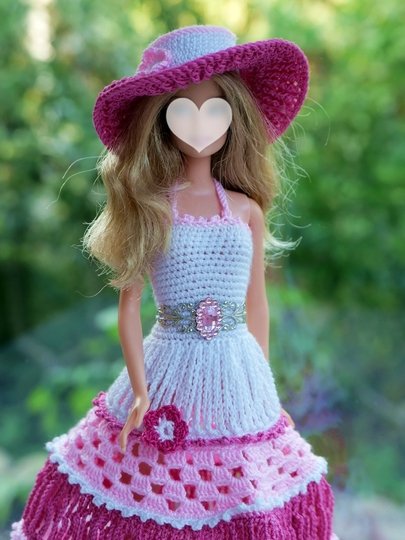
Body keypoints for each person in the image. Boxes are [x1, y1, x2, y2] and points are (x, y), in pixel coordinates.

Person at [11, 24, 340, 539]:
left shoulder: (246, 211)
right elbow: (130, 307)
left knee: (242, 487)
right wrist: (140, 393)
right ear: (161, 121)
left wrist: (265, 391)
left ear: (235, 117)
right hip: (171, 364)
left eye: (216, 111)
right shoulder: (154, 209)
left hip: (237, 369)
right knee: (160, 487)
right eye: (182, 112)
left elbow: (256, 304)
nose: (201, 127)